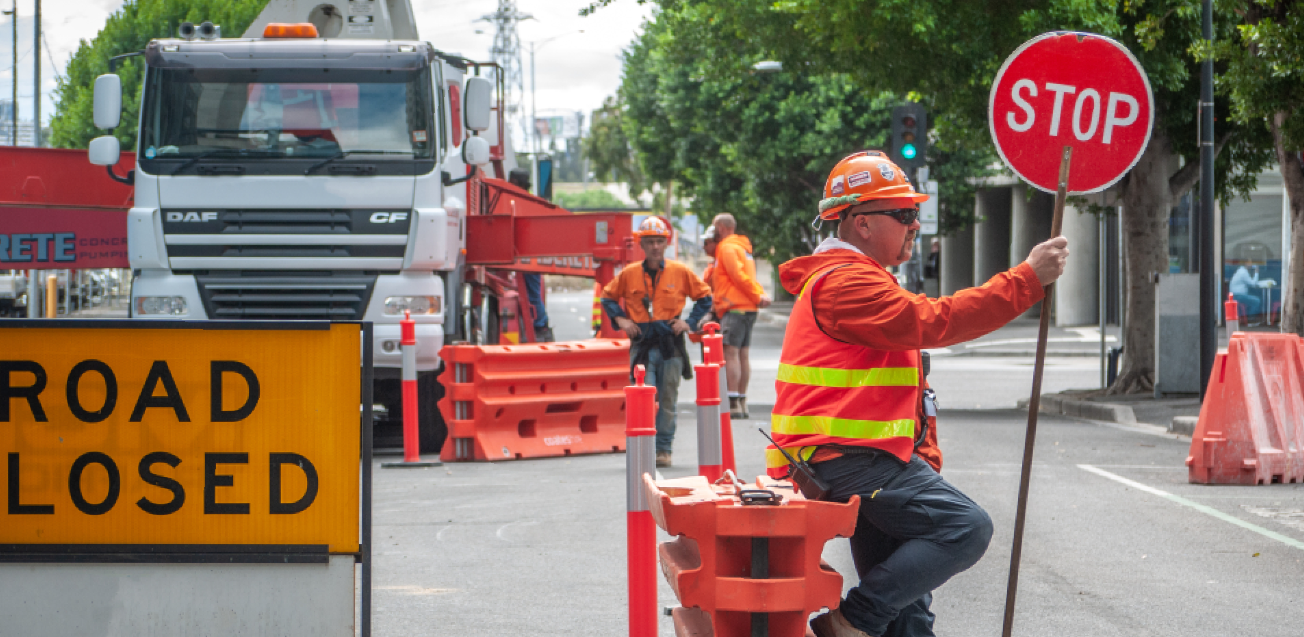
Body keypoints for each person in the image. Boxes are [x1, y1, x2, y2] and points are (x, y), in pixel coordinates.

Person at [768, 151, 1069, 637]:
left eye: (914, 214)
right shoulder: (846, 283)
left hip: (858, 459)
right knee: (965, 527)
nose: (914, 225)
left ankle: (861, 621)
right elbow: (935, 320)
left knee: (906, 615)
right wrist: (1026, 280)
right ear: (862, 223)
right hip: (846, 460)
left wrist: (922, 458)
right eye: (903, 214)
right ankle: (847, 624)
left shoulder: (858, 277)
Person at [602, 217, 713, 468]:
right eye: (650, 242)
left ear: (666, 243)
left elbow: (705, 297)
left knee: (668, 400)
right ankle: (644, 447)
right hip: (641, 346)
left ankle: (663, 449)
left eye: (659, 242)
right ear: (641, 244)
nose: (655, 246)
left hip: (669, 346)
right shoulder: (630, 274)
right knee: (643, 398)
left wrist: (688, 322)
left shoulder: (679, 272)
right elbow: (607, 297)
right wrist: (621, 320)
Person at [710, 213, 771, 420]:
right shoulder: (743, 249)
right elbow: (749, 278)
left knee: (731, 354)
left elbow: (738, 276)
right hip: (748, 308)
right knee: (743, 354)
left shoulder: (727, 247)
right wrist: (759, 296)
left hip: (734, 306)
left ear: (721, 228)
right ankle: (742, 400)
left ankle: (733, 401)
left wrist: (757, 296)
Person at [508, 167, 554, 342]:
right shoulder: (527, 201)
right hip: (529, 254)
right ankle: (539, 326)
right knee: (531, 291)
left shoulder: (522, 202)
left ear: (516, 183)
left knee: (532, 293)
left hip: (529, 255)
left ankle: (541, 326)